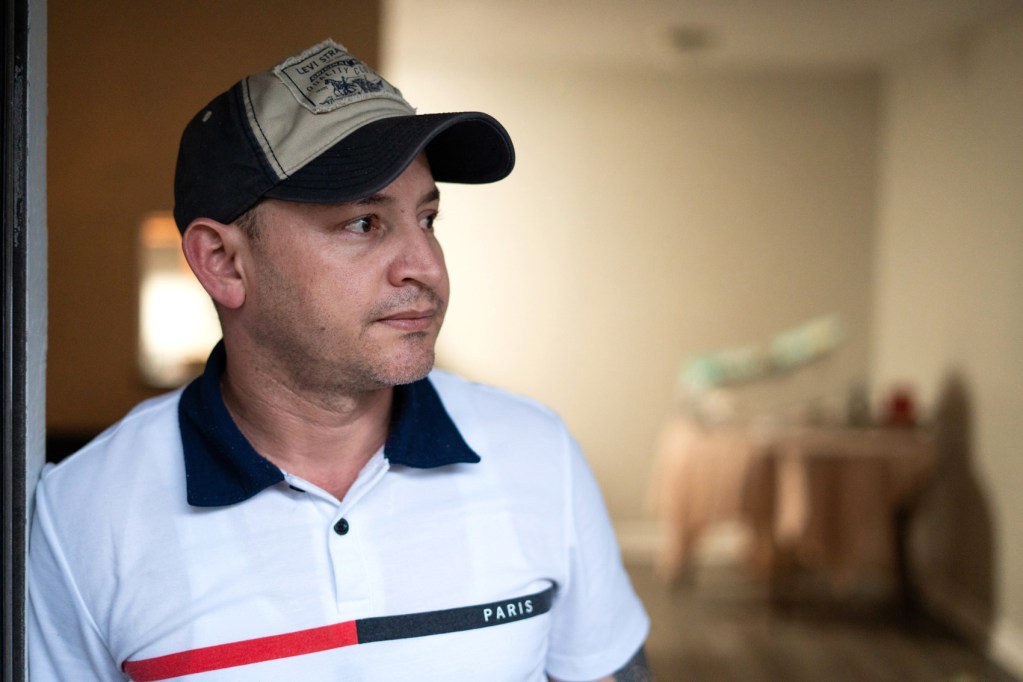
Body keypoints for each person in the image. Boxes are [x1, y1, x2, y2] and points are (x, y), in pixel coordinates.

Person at [28, 39, 651, 681]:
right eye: (363, 223)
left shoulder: (536, 452)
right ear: (223, 261)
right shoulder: (83, 515)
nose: (427, 267)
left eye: (427, 219)